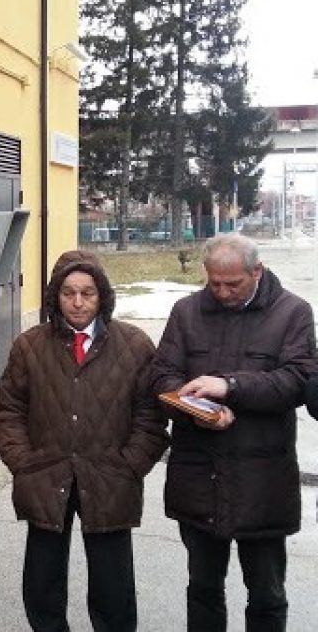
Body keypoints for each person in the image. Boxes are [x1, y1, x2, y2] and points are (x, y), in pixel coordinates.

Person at [151, 233, 316, 632]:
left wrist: (231, 387)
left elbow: (297, 380)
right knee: (203, 589)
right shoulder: (186, 311)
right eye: (214, 283)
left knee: (266, 595)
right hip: (199, 475)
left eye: (233, 284)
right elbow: (161, 376)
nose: (222, 292)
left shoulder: (292, 312)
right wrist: (197, 411)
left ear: (256, 271)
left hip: (263, 481)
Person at [0, 250, 168, 632]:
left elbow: (151, 417)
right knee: (43, 582)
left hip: (110, 478)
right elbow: (10, 412)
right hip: (45, 475)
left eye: (87, 293)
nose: (77, 302)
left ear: (102, 296)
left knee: (113, 585)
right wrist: (24, 463)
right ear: (54, 296)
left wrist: (129, 465)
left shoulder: (135, 345)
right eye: (68, 293)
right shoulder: (29, 346)